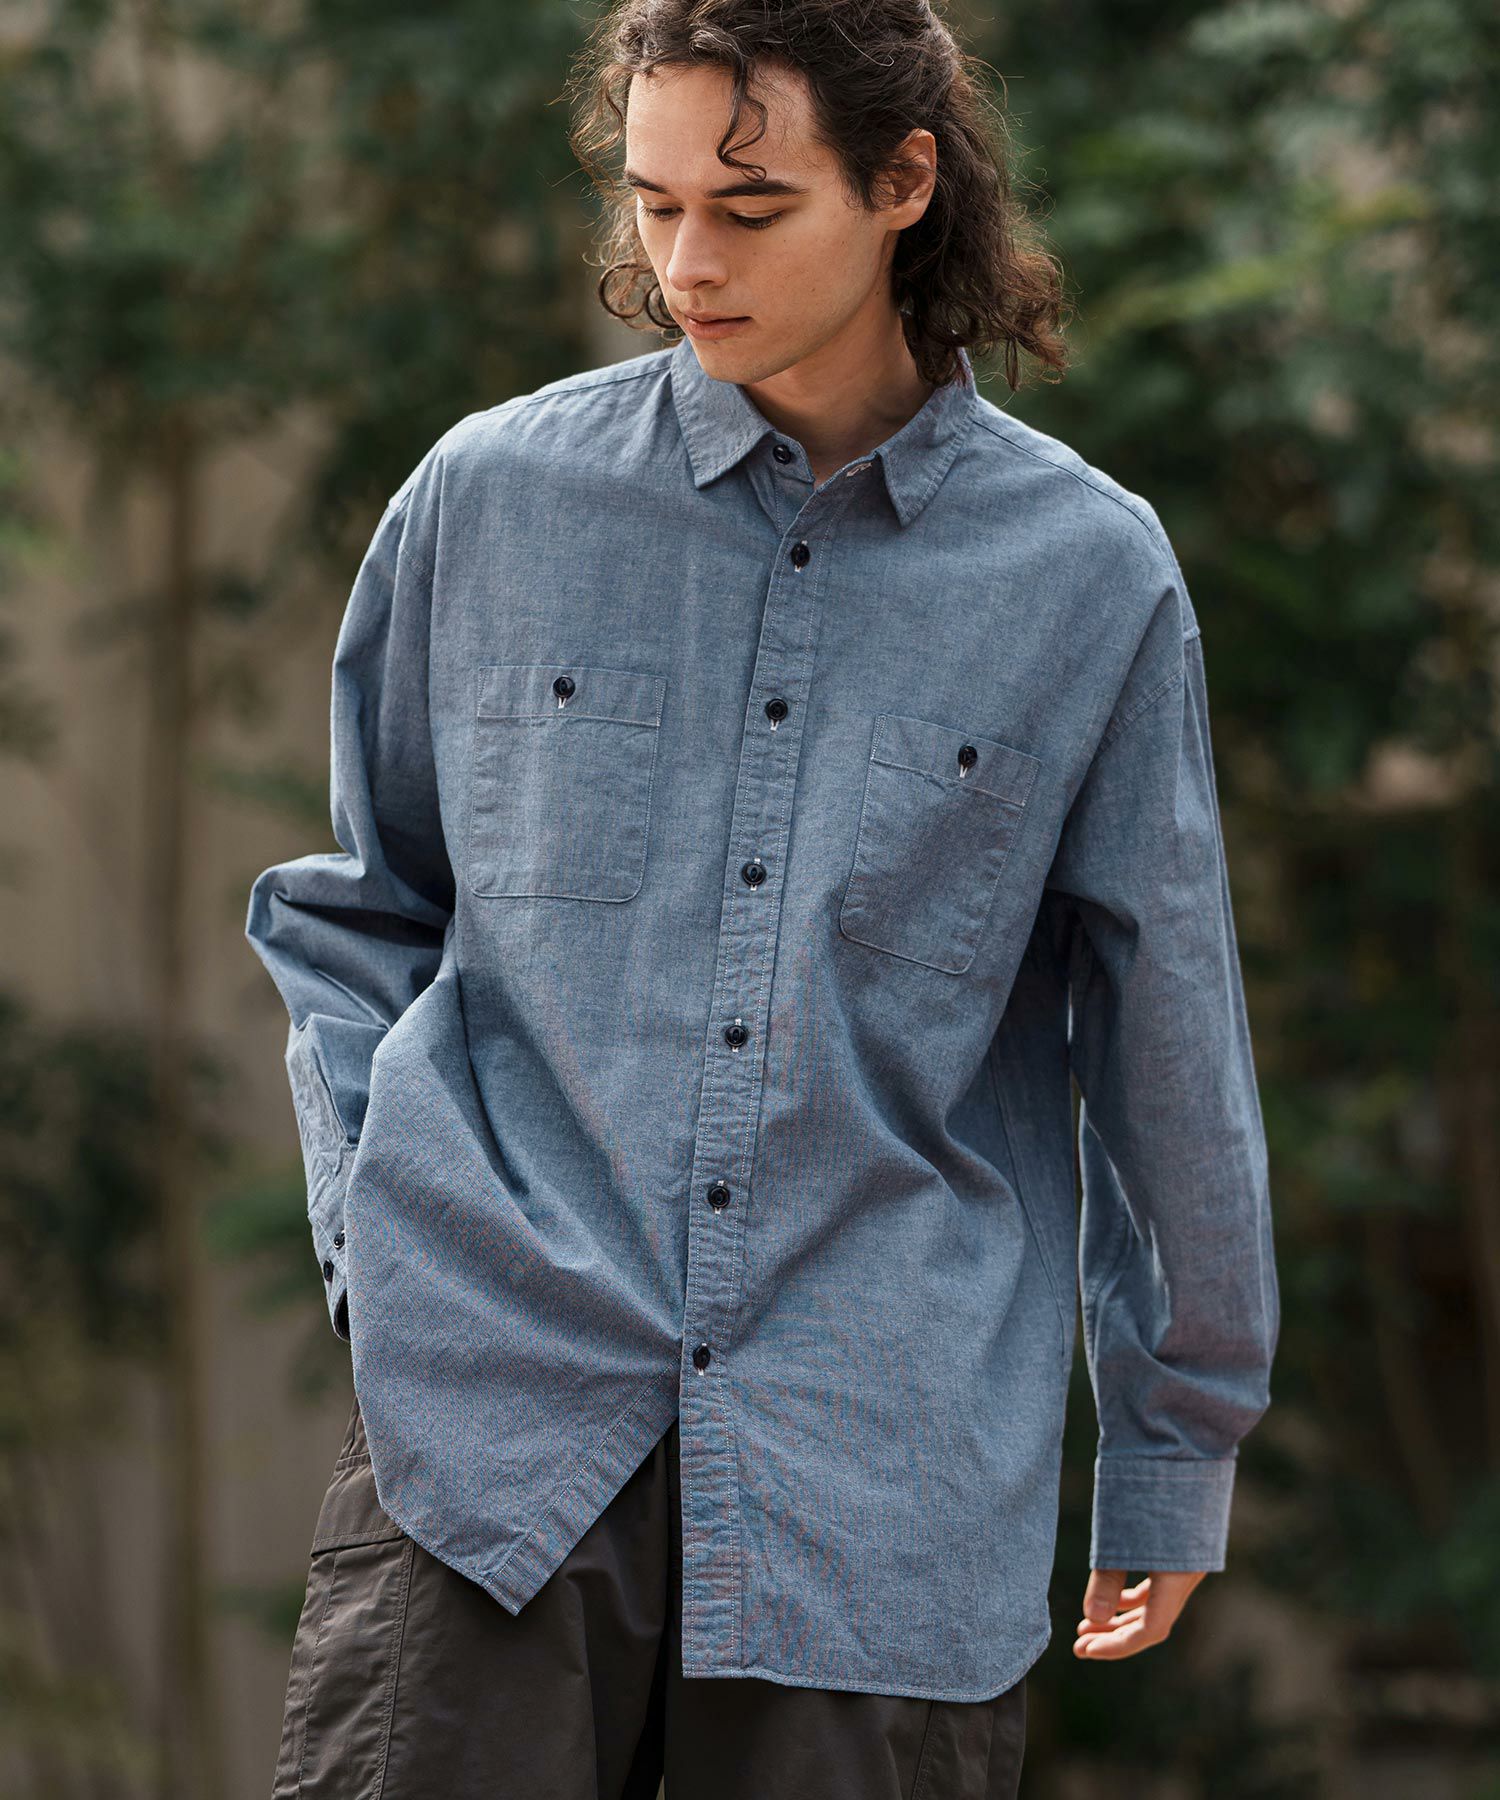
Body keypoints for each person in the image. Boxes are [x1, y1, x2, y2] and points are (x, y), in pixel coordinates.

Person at [245, 2, 1280, 1795]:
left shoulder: (1086, 577)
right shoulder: (490, 501)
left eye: (748, 207)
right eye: (654, 205)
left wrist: (1174, 1445)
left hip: (879, 1477)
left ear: (902, 182)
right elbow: (356, 915)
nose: (685, 267)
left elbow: (1164, 1037)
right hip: (489, 1437)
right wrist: (381, 1251)